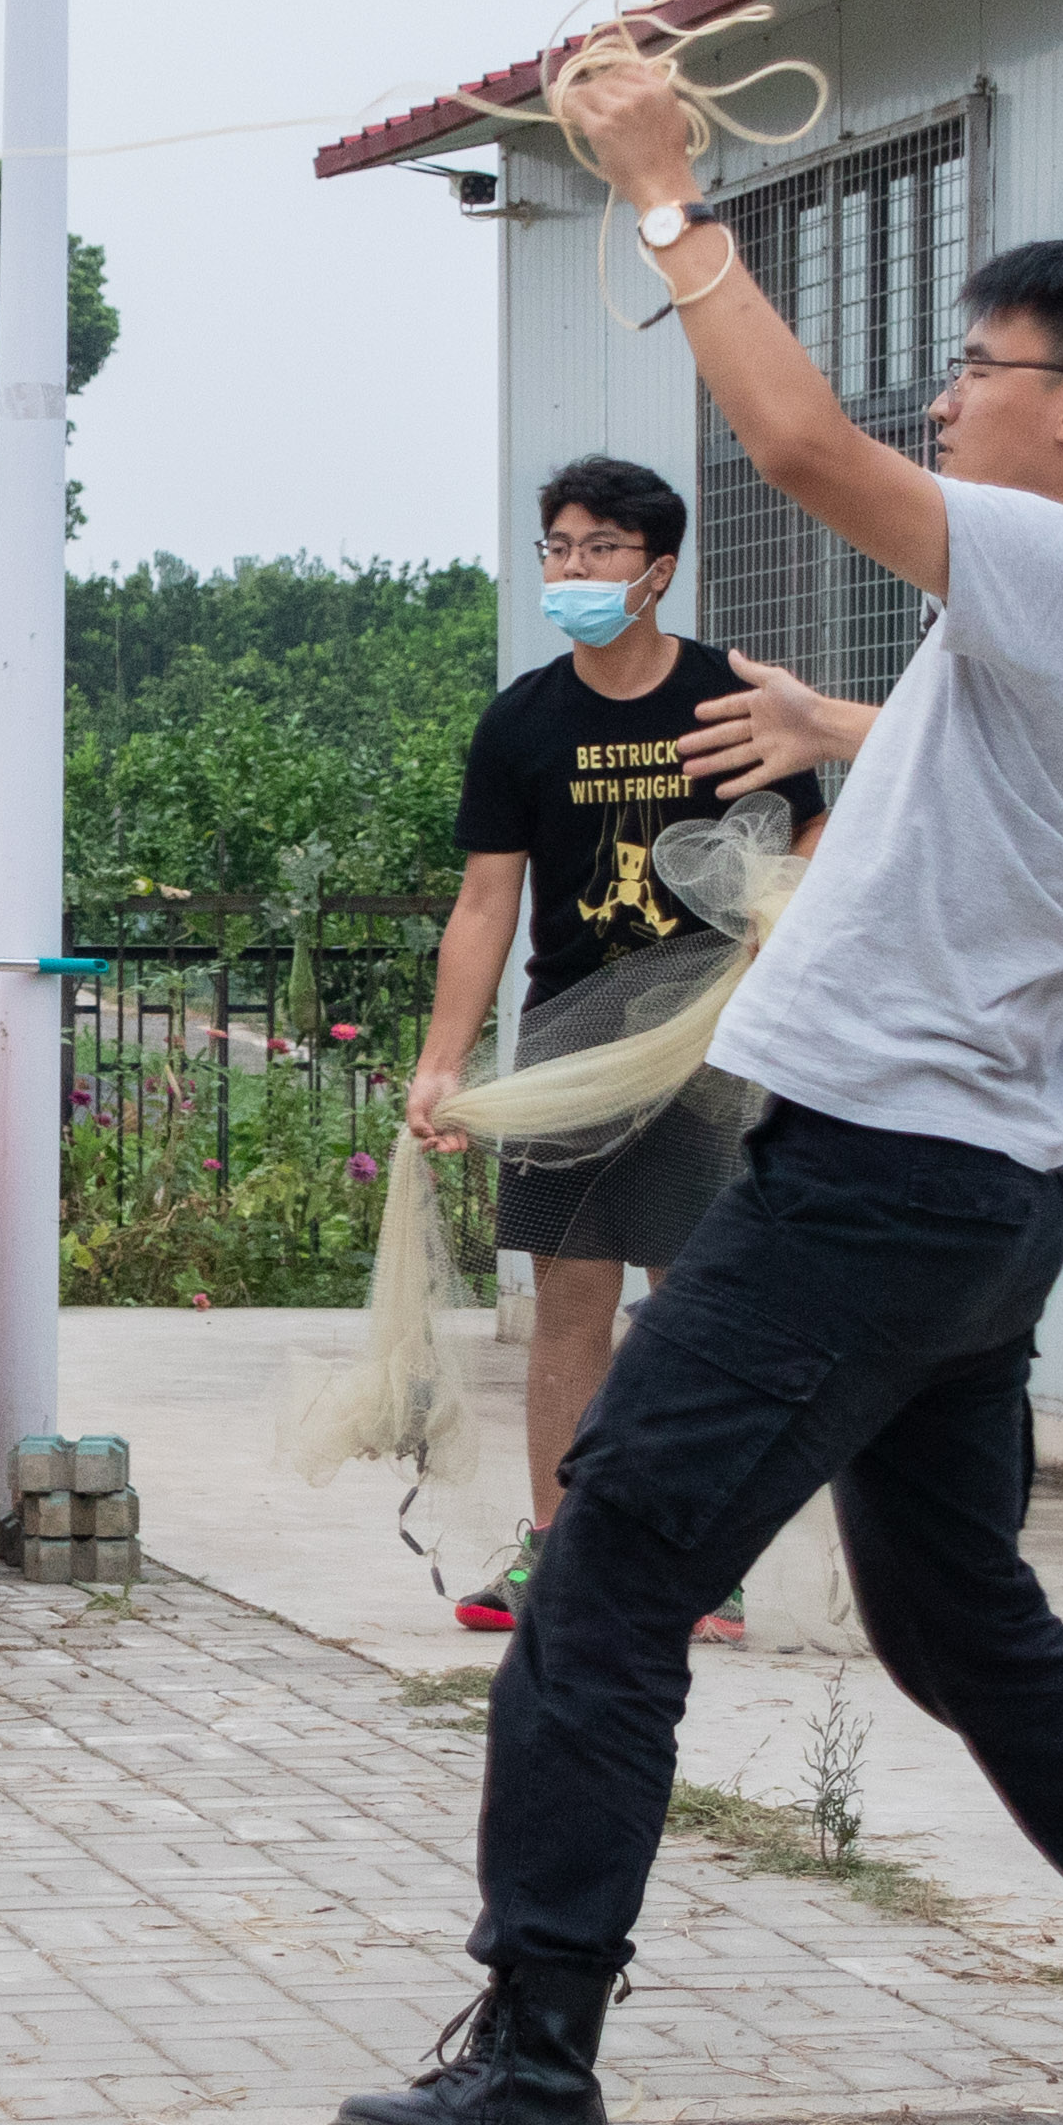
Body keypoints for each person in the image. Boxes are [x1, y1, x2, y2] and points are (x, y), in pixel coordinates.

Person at [329, 56, 1063, 2125]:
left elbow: (793, 441)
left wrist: (662, 194)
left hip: (882, 1182)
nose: (949, 409)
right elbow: (996, 762)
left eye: (982, 371)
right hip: (972, 1188)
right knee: (957, 1610)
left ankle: (535, 2056)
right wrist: (832, 718)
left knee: (609, 1560)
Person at [402, 453, 828, 1635]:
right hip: (568, 1041)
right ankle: (559, 1554)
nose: (574, 569)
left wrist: (773, 961)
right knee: (567, 1301)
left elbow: (817, 844)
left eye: (600, 549)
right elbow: (487, 903)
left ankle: (704, 1565)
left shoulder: (727, 699)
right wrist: (444, 1062)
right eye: (558, 547)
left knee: (693, 1303)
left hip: (715, 1040)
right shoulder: (526, 721)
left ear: (659, 572)